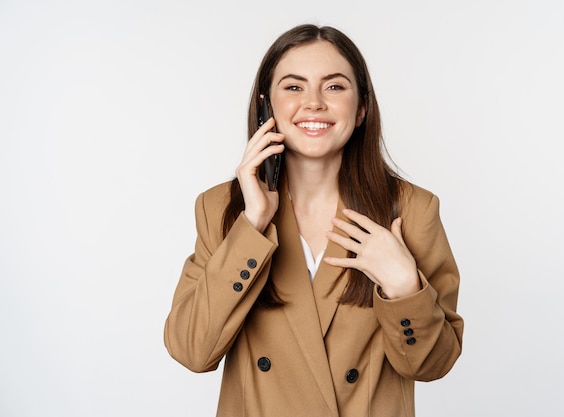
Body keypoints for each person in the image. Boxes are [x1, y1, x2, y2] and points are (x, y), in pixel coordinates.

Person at [164, 23, 463, 417]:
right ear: (265, 106)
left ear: (361, 109)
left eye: (335, 86)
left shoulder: (410, 210)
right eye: (293, 86)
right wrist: (252, 225)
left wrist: (404, 285)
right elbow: (192, 351)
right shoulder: (221, 208)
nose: (314, 103)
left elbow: (432, 365)